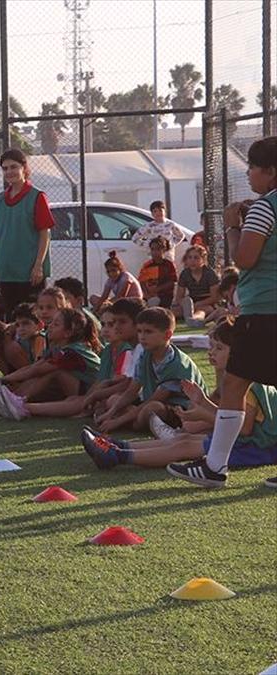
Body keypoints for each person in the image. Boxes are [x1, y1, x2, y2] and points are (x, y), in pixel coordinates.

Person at [170, 136, 277, 488]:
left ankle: (215, 466)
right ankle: (214, 465)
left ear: (270, 171)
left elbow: (245, 259)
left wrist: (234, 226)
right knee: (235, 382)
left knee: (233, 384)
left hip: (264, 310)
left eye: (252, 168)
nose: (248, 174)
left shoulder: (265, 207)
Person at [84, 319, 276, 474]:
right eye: (212, 346)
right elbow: (230, 418)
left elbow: (244, 428)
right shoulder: (235, 378)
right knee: (183, 439)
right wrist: (202, 404)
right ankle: (116, 446)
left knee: (184, 445)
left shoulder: (245, 384)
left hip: (261, 448)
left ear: (238, 353)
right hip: (252, 442)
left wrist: (203, 410)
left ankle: (116, 456)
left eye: (219, 348)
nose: (211, 352)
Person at [94, 307, 205, 434]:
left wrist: (116, 421)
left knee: (152, 409)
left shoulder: (177, 364)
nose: (142, 337)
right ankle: (128, 420)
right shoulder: (145, 355)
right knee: (114, 399)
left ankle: (130, 424)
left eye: (148, 332)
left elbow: (155, 399)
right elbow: (132, 390)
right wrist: (110, 413)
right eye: (139, 331)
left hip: (181, 411)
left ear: (167, 335)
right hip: (149, 403)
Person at [0, 307, 101, 419]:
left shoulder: (71, 352)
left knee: (53, 371)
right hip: (80, 388)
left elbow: (36, 370)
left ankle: (19, 402)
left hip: (92, 390)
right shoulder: (57, 346)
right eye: (51, 323)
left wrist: (6, 379)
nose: (50, 326)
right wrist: (5, 379)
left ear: (68, 333)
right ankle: (14, 399)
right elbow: (34, 366)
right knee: (46, 370)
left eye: (56, 325)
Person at [0, 149, 55, 320]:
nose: (9, 172)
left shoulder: (37, 197)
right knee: (11, 320)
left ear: (24, 168)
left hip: (29, 272)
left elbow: (44, 232)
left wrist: (38, 265)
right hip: (6, 270)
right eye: (5, 168)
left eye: (13, 167)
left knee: (33, 320)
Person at [0, 302, 46, 376]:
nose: (21, 328)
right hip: (29, 372)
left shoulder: (39, 339)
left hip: (38, 375)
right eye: (18, 325)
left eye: (25, 324)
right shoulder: (21, 335)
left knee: (11, 349)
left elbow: (35, 372)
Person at [172, 244, 219, 327]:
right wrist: (184, 304)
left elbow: (215, 297)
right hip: (191, 301)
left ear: (203, 260)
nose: (192, 261)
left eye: (196, 258)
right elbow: (179, 297)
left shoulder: (209, 273)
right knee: (175, 311)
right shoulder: (185, 274)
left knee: (202, 310)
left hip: (207, 302)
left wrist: (198, 304)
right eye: (190, 257)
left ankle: (194, 319)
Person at [138, 237, 178, 307]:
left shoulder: (169, 265)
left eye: (158, 249)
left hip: (165, 295)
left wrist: (158, 289)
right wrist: (147, 294)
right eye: (152, 249)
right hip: (149, 295)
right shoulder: (147, 265)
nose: (154, 252)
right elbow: (142, 281)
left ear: (164, 250)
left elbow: (173, 281)